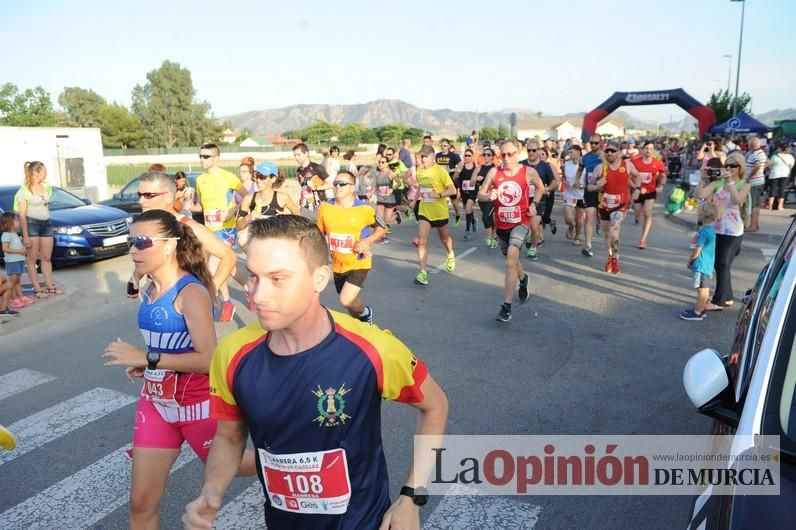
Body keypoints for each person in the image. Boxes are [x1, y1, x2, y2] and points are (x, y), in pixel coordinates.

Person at [182, 215, 448, 530]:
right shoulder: (232, 354)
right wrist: (212, 491)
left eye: (278, 278)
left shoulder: (373, 349)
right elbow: (229, 436)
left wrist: (411, 497)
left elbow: (435, 405)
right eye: (253, 276)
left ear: (320, 278)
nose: (258, 294)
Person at [102, 209, 255, 529]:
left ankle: (284, 462)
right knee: (140, 503)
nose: (133, 249)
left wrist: (149, 358)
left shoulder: (191, 292)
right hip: (157, 405)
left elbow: (209, 360)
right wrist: (148, 368)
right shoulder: (149, 287)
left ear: (170, 245)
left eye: (142, 242)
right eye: (131, 241)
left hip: (198, 406)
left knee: (239, 464)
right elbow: (168, 349)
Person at [133, 172, 237, 302]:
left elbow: (229, 256)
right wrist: (135, 277)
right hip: (154, 296)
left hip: (184, 302)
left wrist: (211, 290)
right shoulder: (148, 225)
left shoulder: (188, 226)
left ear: (168, 197)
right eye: (139, 195)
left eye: (148, 195)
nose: (141, 201)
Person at [477, 139, 542, 322]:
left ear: (518, 153)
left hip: (521, 221)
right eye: (502, 154)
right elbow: (480, 194)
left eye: (510, 154)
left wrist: (534, 204)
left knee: (511, 258)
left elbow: (541, 188)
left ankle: (506, 307)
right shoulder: (494, 172)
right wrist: (488, 195)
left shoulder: (528, 172)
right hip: (502, 224)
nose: (506, 158)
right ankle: (523, 279)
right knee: (511, 261)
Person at [316, 170, 386, 323]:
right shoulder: (325, 208)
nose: (338, 187)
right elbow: (319, 234)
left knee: (345, 300)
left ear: (352, 187)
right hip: (338, 265)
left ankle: (364, 315)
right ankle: (364, 315)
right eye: (336, 184)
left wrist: (367, 241)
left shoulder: (364, 209)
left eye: (343, 184)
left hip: (359, 262)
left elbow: (382, 228)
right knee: (351, 306)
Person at [194, 143, 246, 322]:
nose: (202, 159)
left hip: (226, 229)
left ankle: (206, 305)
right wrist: (187, 205)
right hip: (210, 230)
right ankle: (245, 290)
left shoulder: (229, 177)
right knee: (228, 268)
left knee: (212, 267)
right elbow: (200, 206)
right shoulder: (200, 180)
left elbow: (247, 198)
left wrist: (232, 211)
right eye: (200, 156)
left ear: (216, 158)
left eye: (206, 156)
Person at [695, 153, 750, 310]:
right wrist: (703, 179)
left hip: (733, 231)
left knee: (723, 263)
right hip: (716, 228)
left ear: (740, 168)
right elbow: (700, 195)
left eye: (732, 165)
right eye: (726, 165)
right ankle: (728, 297)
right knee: (720, 265)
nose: (728, 168)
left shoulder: (744, 185)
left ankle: (718, 301)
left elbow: (737, 200)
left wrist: (730, 182)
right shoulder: (718, 183)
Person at [589, 141, 641, 274]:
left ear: (618, 152)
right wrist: (597, 185)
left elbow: (637, 176)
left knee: (614, 229)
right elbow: (589, 187)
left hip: (620, 205)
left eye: (612, 151)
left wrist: (638, 189)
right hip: (604, 205)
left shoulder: (627, 165)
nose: (610, 153)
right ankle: (610, 256)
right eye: (607, 151)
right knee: (607, 234)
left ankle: (615, 259)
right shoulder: (600, 168)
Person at [15, 161, 61, 298]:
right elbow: (22, 215)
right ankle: (37, 288)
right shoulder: (24, 190)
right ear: (35, 173)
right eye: (43, 171)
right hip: (32, 224)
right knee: (32, 258)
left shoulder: (46, 186)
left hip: (46, 223)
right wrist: (26, 235)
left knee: (46, 257)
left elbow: (45, 205)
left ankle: (49, 285)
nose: (45, 174)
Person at [413, 145, 457, 286]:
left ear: (433, 156)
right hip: (425, 211)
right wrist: (414, 200)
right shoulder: (420, 171)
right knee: (422, 241)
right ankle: (423, 273)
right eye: (421, 156)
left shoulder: (440, 171)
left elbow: (452, 190)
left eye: (425, 156)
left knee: (444, 238)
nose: (423, 159)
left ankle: (450, 254)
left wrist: (438, 194)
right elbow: (420, 185)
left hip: (439, 212)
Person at [236, 162, 300, 249]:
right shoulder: (248, 199)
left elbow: (298, 216)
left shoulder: (283, 197)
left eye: (262, 177)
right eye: (256, 176)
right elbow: (238, 226)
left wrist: (285, 217)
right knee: (242, 240)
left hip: (277, 240)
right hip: (257, 240)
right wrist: (248, 217)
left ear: (273, 179)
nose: (258, 180)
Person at [680, 202, 719, 321]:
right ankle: (700, 309)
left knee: (702, 289)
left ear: (702, 215)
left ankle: (697, 312)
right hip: (707, 264)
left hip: (701, 264)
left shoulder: (704, 231)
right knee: (704, 288)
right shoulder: (711, 230)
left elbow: (698, 249)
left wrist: (690, 261)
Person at [523, 139, 559, 261]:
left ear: (539, 151)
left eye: (534, 150)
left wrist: (547, 189)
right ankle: (529, 236)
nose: (531, 153)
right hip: (523, 200)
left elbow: (554, 182)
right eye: (529, 150)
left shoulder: (545, 166)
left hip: (539, 199)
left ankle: (533, 248)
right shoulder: (521, 165)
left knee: (534, 226)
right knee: (524, 226)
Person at [632, 141, 667, 249]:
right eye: (646, 148)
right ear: (642, 150)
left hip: (650, 191)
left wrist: (661, 185)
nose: (648, 151)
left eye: (651, 149)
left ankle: (643, 239)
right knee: (638, 211)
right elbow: (628, 175)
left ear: (653, 151)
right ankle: (638, 215)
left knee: (648, 213)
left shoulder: (657, 163)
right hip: (637, 190)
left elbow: (663, 175)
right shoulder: (635, 161)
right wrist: (636, 187)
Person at [576, 134, 604, 257]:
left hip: (604, 191)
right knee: (589, 216)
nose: (593, 145)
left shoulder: (605, 156)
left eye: (596, 143)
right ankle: (588, 245)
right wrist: (577, 180)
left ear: (601, 143)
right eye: (591, 142)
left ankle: (600, 220)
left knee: (601, 216)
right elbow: (580, 170)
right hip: (590, 190)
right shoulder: (585, 157)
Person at [1, 212, 34, 309]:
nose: (18, 222)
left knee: (18, 281)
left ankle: (21, 297)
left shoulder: (14, 234)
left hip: (19, 260)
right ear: (9, 223)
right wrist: (19, 251)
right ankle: (14, 299)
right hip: (12, 261)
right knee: (13, 281)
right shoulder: (6, 235)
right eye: (16, 220)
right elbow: (5, 249)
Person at [452, 149, 480, 239]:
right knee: (466, 209)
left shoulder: (476, 166)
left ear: (472, 157)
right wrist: (458, 170)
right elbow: (454, 178)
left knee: (468, 208)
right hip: (464, 191)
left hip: (473, 190)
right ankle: (473, 220)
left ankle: (467, 230)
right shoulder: (461, 166)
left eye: (469, 155)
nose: (467, 157)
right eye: (465, 155)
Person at [561, 145, 586, 245]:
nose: (569, 154)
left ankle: (578, 236)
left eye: (572, 152)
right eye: (569, 152)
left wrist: (581, 185)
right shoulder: (566, 164)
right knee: (568, 218)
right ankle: (571, 226)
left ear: (579, 152)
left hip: (581, 195)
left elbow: (590, 180)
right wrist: (565, 182)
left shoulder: (585, 165)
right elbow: (564, 177)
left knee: (579, 219)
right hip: (569, 194)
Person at [294, 142, 330, 209]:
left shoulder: (317, 167)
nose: (296, 158)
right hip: (305, 207)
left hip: (320, 207)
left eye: (299, 155)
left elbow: (330, 184)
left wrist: (315, 188)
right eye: (295, 155)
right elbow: (304, 189)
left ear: (306, 153)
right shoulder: (299, 171)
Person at [435, 138, 463, 225]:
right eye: (441, 146)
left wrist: (453, 171)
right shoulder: (438, 155)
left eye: (445, 145)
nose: (443, 147)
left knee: (453, 199)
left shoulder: (453, 155)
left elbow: (461, 164)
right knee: (439, 197)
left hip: (450, 179)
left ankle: (458, 213)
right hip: (439, 180)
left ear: (449, 146)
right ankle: (440, 216)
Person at [476, 148, 498, 248]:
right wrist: (476, 179)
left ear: (492, 157)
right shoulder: (479, 167)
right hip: (482, 197)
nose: (486, 156)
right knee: (488, 217)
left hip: (492, 197)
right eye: (484, 154)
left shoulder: (495, 168)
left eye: (488, 155)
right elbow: (471, 182)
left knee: (486, 216)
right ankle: (493, 236)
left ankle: (490, 237)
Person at [745, 137, 768, 232]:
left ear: (751, 145)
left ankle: (753, 225)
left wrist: (750, 176)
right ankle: (756, 224)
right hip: (760, 180)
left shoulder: (753, 154)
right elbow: (767, 163)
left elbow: (757, 165)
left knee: (753, 204)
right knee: (757, 204)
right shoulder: (762, 153)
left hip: (754, 182)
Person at [767, 142, 795, 211]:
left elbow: (770, 165)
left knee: (773, 189)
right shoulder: (790, 157)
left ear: (779, 148)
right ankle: (780, 206)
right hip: (785, 174)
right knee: (782, 190)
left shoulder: (775, 156)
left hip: (774, 174)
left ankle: (770, 206)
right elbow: (792, 166)